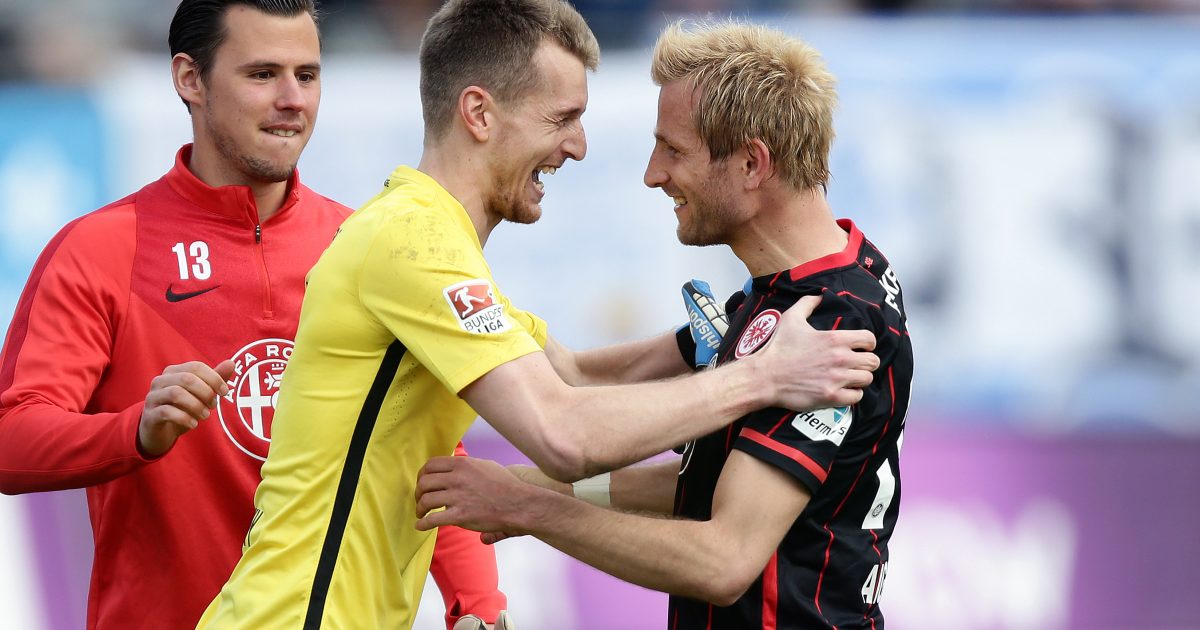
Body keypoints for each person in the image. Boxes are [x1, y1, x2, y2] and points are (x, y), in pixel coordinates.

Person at [200, 2, 881, 629]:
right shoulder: (413, 244)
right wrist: (762, 377)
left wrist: (713, 343)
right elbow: (563, 430)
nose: (579, 147)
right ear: (479, 114)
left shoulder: (431, 239)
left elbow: (575, 378)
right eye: (562, 118)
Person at [0, 1, 511, 629]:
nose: (293, 99)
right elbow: (11, 441)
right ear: (190, 79)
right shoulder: (101, 249)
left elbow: (426, 452)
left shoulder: (368, 245)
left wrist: (478, 607)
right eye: (262, 74)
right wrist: (134, 431)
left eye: (308, 74)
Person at [414, 20, 914, 629]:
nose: (653, 174)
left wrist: (525, 508)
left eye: (673, 150)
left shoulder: (829, 327)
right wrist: (439, 280)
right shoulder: (794, 291)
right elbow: (584, 382)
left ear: (752, 163)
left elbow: (723, 560)